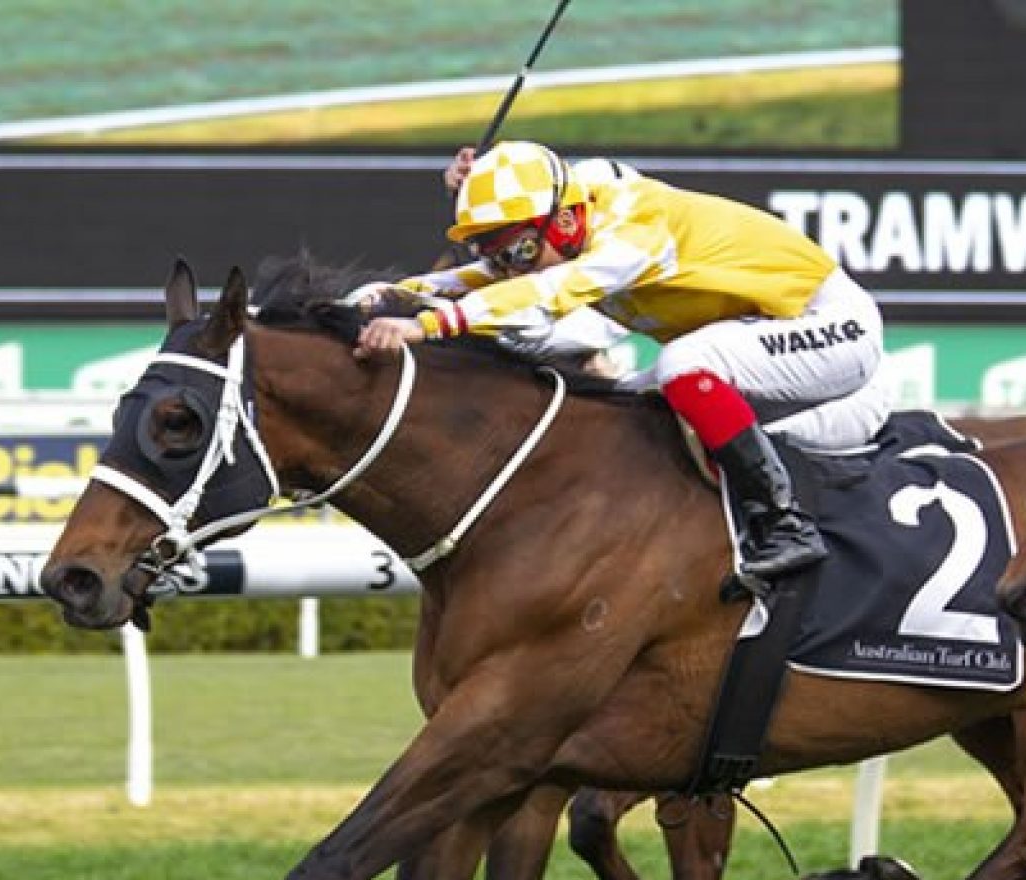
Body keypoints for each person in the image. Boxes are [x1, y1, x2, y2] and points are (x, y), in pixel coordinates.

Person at [355, 140, 892, 583]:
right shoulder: (570, 208)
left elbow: (547, 292)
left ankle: (784, 524)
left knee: (685, 361)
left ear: (567, 222)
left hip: (833, 326)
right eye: (496, 255)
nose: (509, 269)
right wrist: (402, 291)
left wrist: (430, 324)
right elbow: (498, 272)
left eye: (518, 252)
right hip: (763, 332)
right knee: (623, 413)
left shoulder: (632, 235)